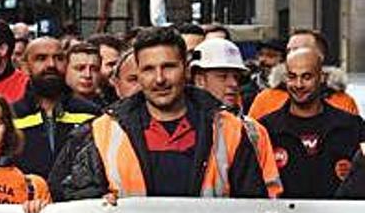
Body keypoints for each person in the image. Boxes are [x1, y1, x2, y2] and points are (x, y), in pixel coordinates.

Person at [49, 27, 268, 202]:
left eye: (168, 67)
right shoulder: (102, 131)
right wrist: (96, 203)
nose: (159, 78)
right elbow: (68, 200)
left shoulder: (228, 129)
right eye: (148, 69)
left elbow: (253, 208)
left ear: (186, 69)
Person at [257, 47, 365, 198]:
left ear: (321, 77)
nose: (299, 85)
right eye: (292, 77)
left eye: (307, 77)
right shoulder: (265, 129)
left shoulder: (352, 126)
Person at [190, 38, 283, 198]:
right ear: (199, 80)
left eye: (236, 77)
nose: (233, 83)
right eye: (223, 76)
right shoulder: (184, 124)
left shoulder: (254, 130)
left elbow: (271, 191)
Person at [12, 37, 99, 179]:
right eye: (41, 58)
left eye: (59, 58)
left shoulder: (90, 113)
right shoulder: (12, 115)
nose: (51, 65)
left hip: (78, 199)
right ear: (25, 67)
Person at [248, 29, 359, 119]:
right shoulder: (266, 99)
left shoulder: (343, 101)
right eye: (289, 51)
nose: (292, 56)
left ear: (320, 56)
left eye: (299, 50)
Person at [66, 42, 111, 108]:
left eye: (94, 69)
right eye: (80, 68)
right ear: (66, 69)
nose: (88, 75)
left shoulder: (110, 107)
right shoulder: (53, 106)